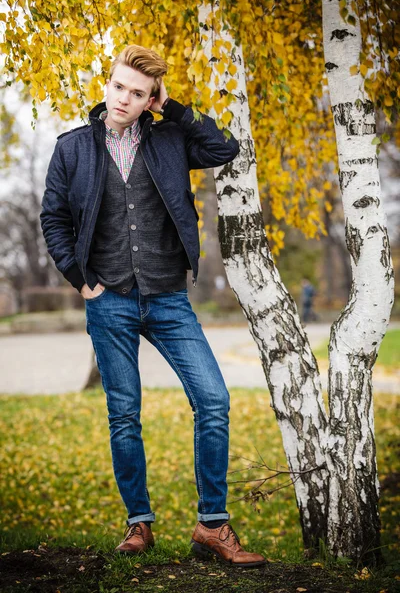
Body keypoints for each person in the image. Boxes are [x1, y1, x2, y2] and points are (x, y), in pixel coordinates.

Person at [41, 44, 265, 567]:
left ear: (150, 99)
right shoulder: (72, 148)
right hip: (109, 299)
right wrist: (80, 280)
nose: (124, 98)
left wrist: (179, 110)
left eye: (138, 93)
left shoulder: (169, 139)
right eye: (119, 86)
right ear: (108, 84)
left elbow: (225, 147)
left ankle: (212, 525)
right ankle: (139, 524)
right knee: (124, 415)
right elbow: (53, 219)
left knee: (213, 400)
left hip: (168, 297)